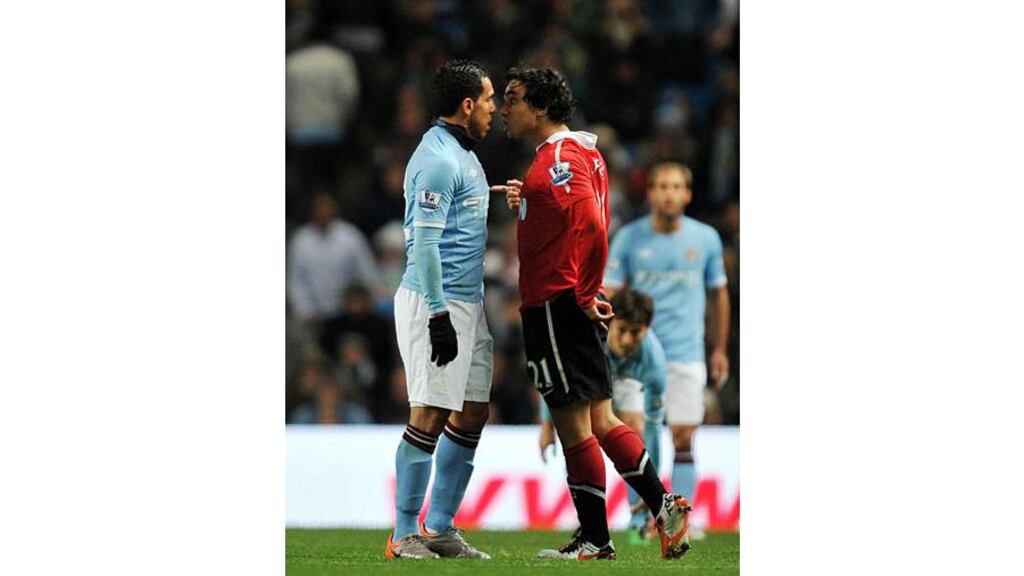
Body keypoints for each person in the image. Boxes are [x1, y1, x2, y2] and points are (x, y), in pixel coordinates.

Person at [498, 66, 691, 561]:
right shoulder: (582, 153)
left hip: (554, 304)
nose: (505, 107)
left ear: (540, 107)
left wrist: (584, 291)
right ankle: (664, 505)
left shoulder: (559, 156)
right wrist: (532, 202)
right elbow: (574, 218)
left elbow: (593, 226)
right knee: (603, 417)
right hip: (567, 301)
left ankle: (594, 539)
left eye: (513, 98)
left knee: (574, 425)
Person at [386, 60, 498, 560]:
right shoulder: (436, 158)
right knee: (429, 413)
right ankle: (404, 532)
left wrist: (494, 195)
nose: (496, 108)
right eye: (490, 99)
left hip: (468, 302)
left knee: (472, 411)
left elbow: (454, 210)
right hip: (437, 300)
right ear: (468, 105)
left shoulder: (463, 156)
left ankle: (441, 527)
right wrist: (436, 314)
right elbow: (425, 245)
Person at [604, 162, 731, 539]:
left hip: (686, 352)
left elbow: (718, 293)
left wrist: (719, 348)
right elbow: (609, 292)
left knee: (682, 436)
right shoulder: (629, 238)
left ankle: (679, 521)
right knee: (635, 434)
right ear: (651, 193)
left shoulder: (706, 239)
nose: (669, 193)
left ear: (688, 194)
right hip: (636, 354)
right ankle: (638, 518)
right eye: (661, 186)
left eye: (676, 186)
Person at [537, 288, 668, 545]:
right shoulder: (591, 335)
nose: (629, 339)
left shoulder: (654, 362)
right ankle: (589, 520)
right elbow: (559, 379)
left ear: (647, 330)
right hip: (593, 368)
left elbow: (654, 428)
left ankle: (640, 516)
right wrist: (546, 426)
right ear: (610, 321)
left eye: (637, 332)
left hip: (624, 380)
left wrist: (653, 489)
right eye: (623, 330)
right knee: (579, 430)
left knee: (635, 426)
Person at [286, 193, 378, 329]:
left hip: (348, 310)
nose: (323, 214)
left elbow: (366, 271)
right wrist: (304, 309)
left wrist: (365, 302)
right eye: (320, 210)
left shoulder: (350, 236)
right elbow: (295, 280)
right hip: (312, 314)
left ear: (334, 211)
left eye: (327, 209)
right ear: (313, 212)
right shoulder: (301, 240)